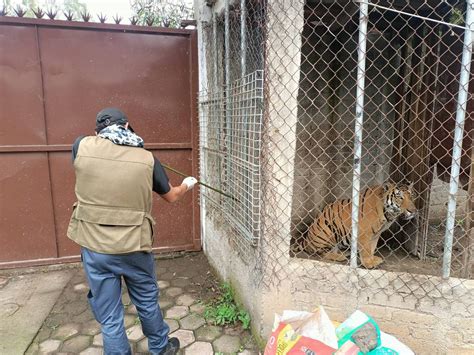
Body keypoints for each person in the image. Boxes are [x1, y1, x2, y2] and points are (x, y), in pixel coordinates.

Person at [67, 107, 197, 355]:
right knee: (146, 301)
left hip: (95, 247)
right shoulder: (147, 159)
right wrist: (187, 185)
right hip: (134, 247)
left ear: (97, 132)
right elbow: (171, 196)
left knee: (109, 313)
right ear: (127, 126)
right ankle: (160, 348)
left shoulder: (80, 145)